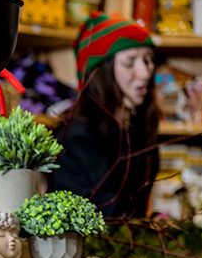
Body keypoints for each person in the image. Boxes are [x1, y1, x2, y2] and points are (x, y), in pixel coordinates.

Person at [49, 14, 160, 218]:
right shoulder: (77, 138)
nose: (145, 72)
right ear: (101, 71)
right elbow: (103, 218)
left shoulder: (138, 129)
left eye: (148, 60)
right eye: (129, 62)